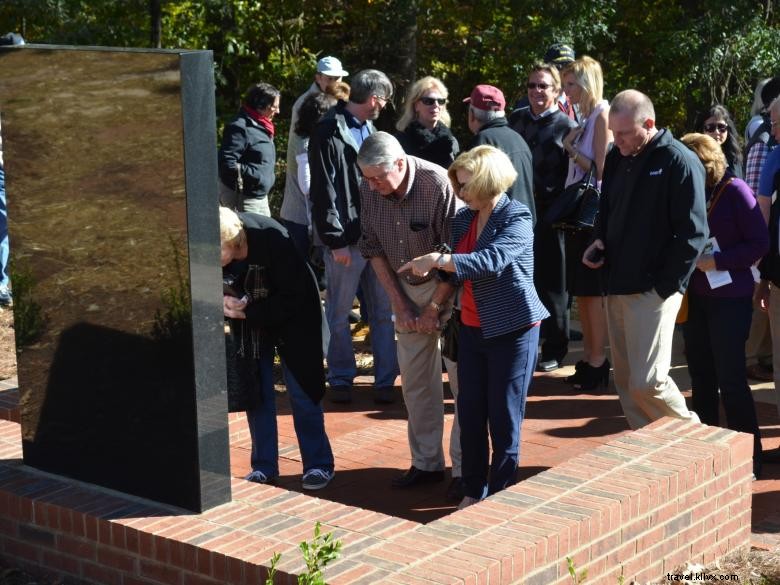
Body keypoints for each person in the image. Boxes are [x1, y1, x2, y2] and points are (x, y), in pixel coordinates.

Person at [400, 145, 548, 509]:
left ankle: (501, 494)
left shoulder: (517, 216)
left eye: (466, 185)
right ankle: (473, 488)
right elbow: (456, 268)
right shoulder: (464, 218)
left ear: (488, 181)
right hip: (470, 327)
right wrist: (433, 286)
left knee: (503, 417)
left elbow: (490, 260)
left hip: (512, 329)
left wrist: (439, 259)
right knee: (469, 412)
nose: (460, 192)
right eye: (458, 184)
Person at [582, 89, 708, 429]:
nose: (617, 140)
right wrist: (598, 241)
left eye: (624, 133)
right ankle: (650, 445)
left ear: (649, 124)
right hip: (616, 283)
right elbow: (606, 210)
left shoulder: (678, 160)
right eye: (614, 133)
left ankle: (693, 437)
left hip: (653, 290)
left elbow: (694, 233)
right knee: (626, 382)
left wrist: (666, 287)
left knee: (648, 381)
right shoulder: (618, 156)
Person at [357, 132, 461, 494]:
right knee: (415, 383)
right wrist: (399, 303)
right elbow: (371, 248)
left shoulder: (437, 183)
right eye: (367, 179)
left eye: (378, 178)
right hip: (404, 287)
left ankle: (465, 469)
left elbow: (457, 254)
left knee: (462, 383)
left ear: (400, 164)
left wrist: (434, 307)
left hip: (450, 287)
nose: (372, 186)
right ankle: (426, 463)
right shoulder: (369, 187)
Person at [220, 207, 335, 490]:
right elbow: (206, 281)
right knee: (256, 392)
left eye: (215, 250)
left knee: (302, 391)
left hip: (295, 321)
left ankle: (318, 464)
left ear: (233, 241)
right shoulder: (219, 248)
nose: (208, 257)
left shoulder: (271, 238)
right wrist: (223, 301)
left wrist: (248, 312)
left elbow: (294, 296)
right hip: (251, 326)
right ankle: (264, 466)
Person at [679, 133, 767, 479]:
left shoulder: (735, 191)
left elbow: (759, 243)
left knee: (731, 381)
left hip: (730, 299)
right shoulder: (688, 191)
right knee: (701, 379)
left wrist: (719, 260)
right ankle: (707, 458)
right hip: (696, 298)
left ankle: (750, 458)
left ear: (705, 164)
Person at [308, 69, 399, 404]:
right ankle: (341, 378)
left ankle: (385, 381)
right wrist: (334, 241)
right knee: (339, 313)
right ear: (374, 99)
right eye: (385, 100)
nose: (385, 107)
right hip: (346, 240)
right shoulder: (328, 130)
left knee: (383, 312)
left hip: (376, 238)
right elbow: (323, 189)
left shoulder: (371, 131)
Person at [510, 63, 578, 372]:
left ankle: (554, 347)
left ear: (557, 91)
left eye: (543, 86)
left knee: (553, 286)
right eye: (532, 85)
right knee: (519, 280)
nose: (536, 91)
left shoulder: (567, 126)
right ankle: (521, 342)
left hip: (553, 217)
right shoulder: (515, 121)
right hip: (517, 214)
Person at [560, 56, 612, 390]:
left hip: (591, 213)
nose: (566, 91)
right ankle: (591, 358)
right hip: (579, 215)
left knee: (592, 293)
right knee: (583, 293)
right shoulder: (587, 117)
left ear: (586, 83)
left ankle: (597, 361)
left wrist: (569, 147)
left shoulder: (602, 114)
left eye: (571, 84)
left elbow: (601, 170)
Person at [280, 56, 349, 258]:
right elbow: (302, 151)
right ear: (318, 77)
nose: (334, 82)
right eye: (329, 78)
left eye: (337, 78)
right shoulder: (306, 103)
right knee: (301, 263)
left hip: (322, 196)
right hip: (303, 201)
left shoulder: (338, 100)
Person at [464, 84, 535, 222]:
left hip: (499, 227)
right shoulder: (518, 138)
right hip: (524, 225)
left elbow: (473, 195)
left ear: (472, 115)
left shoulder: (482, 143)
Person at [218, 83, 281, 216]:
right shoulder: (240, 127)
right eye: (274, 107)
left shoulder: (262, 125)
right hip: (244, 198)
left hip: (260, 197)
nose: (278, 111)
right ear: (260, 105)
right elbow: (227, 163)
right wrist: (258, 177)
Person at [394, 76, 459, 170]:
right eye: (429, 101)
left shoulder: (451, 141)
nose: (436, 105)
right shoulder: (400, 141)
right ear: (416, 105)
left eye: (441, 101)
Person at [695, 105, 743, 179]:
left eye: (721, 127)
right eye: (710, 127)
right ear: (702, 130)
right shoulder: (696, 157)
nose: (717, 132)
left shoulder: (734, 156)